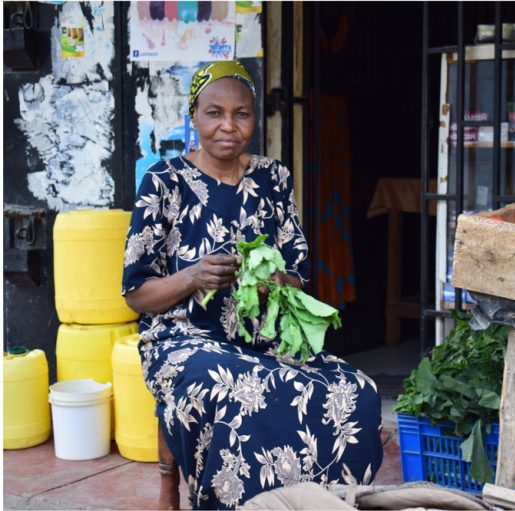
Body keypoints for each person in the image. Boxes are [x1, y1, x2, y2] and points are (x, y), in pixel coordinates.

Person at [122, 61, 383, 510]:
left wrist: (274, 281)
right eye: (214, 113)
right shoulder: (164, 182)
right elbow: (135, 293)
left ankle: (323, 501)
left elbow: (299, 273)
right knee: (235, 388)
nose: (228, 126)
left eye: (241, 114)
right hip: (183, 339)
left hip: (264, 340)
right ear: (194, 116)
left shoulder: (273, 178)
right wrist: (192, 276)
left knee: (355, 388)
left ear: (254, 117)